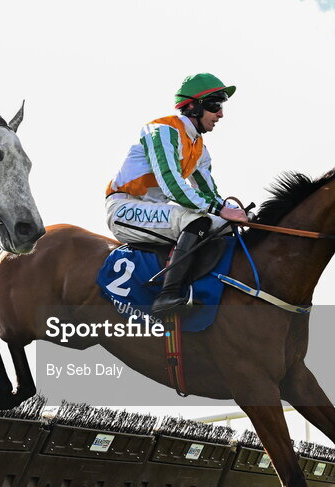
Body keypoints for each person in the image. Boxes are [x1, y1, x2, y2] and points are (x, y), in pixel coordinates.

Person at [105, 73, 248, 315]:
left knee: (223, 224)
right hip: (124, 209)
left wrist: (236, 214)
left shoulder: (199, 147)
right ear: (192, 107)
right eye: (215, 105)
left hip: (156, 211)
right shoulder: (162, 131)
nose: (220, 114)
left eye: (221, 106)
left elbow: (208, 193)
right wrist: (219, 209)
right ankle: (167, 295)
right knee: (196, 219)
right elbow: (171, 184)